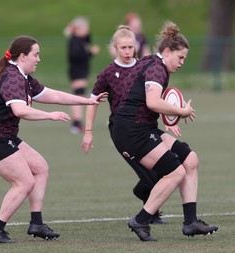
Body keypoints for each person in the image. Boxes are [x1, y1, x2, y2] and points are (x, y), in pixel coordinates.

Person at [0, 35, 107, 243]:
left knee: (40, 168)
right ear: (23, 56)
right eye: (36, 55)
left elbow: (52, 95)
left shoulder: (23, 77)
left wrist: (87, 101)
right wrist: (50, 115)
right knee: (24, 182)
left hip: (3, 136)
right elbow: (20, 110)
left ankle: (36, 223)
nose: (38, 59)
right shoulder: (11, 77)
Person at [112, 21, 218, 241]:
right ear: (167, 51)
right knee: (175, 172)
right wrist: (181, 110)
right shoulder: (156, 68)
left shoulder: (151, 62)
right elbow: (152, 102)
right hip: (131, 130)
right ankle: (140, 220)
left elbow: (143, 99)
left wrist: (168, 117)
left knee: (190, 160)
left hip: (141, 126)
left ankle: (191, 222)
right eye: (180, 58)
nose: (181, 63)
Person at [81, 25, 168, 224]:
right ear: (115, 48)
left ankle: (143, 194)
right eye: (123, 48)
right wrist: (88, 131)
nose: (128, 52)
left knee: (164, 169)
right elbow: (92, 102)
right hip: (122, 130)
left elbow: (155, 98)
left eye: (131, 47)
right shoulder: (108, 74)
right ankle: (151, 213)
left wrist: (169, 120)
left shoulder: (145, 67)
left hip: (146, 126)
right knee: (149, 173)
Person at [64, 16, 100, 134]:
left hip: (82, 71)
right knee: (78, 95)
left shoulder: (82, 40)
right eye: (85, 28)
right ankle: (76, 123)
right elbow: (75, 56)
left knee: (80, 95)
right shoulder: (74, 40)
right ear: (78, 29)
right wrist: (90, 52)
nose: (87, 31)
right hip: (77, 71)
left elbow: (88, 39)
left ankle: (77, 122)